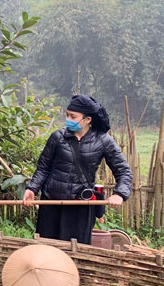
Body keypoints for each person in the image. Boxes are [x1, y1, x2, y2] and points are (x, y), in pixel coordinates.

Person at [23, 94, 132, 244]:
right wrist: (32, 188)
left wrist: (120, 194)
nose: (68, 119)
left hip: (80, 205)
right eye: (67, 115)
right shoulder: (57, 137)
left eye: (73, 116)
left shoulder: (103, 141)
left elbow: (123, 171)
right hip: (51, 203)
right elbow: (43, 168)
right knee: (46, 250)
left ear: (87, 120)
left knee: (76, 251)